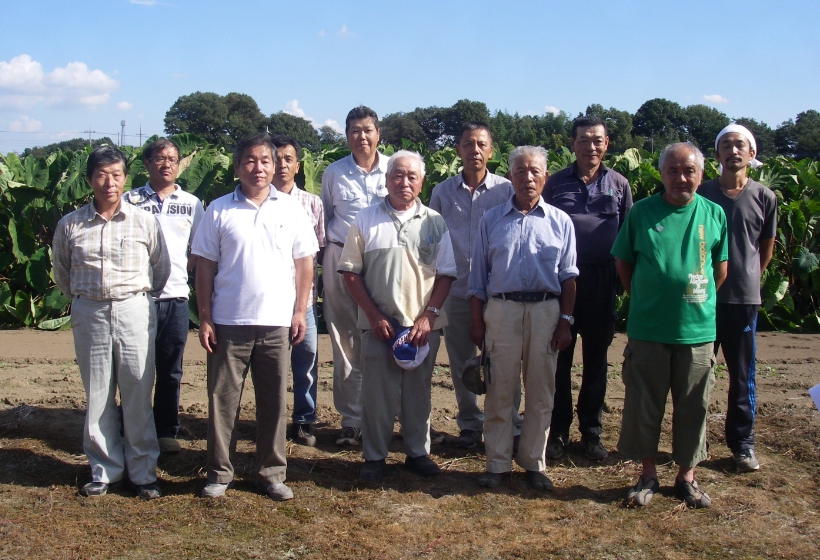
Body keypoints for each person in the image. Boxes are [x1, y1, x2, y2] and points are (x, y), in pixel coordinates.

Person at [192, 133, 317, 501]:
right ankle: (219, 472)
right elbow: (204, 268)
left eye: (265, 160)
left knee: (274, 402)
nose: (259, 167)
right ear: (237, 167)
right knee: (221, 401)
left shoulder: (292, 209)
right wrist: (204, 317)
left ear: (275, 164)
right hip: (229, 321)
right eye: (250, 160)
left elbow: (305, 263)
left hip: (277, 321)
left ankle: (271, 472)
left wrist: (299, 311)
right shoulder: (218, 209)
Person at [612, 142, 727, 509]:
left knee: (694, 406)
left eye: (689, 171)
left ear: (700, 173)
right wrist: (651, 297)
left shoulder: (714, 214)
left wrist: (693, 298)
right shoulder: (643, 212)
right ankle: (647, 475)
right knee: (644, 404)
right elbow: (624, 263)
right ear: (661, 174)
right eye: (673, 171)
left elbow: (719, 270)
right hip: (649, 329)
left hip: (697, 330)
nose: (681, 178)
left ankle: (686, 477)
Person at [52, 145, 171, 499]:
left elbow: (160, 269)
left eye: (116, 175)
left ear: (124, 178)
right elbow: (62, 273)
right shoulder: (70, 224)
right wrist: (88, 300)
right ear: (90, 180)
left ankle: (143, 472)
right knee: (99, 393)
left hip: (133, 309)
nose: (109, 182)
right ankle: (105, 470)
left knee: (137, 389)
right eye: (102, 175)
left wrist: (133, 299)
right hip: (90, 311)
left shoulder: (144, 221)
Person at [337, 150, 457, 481]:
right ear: (387, 179)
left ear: (421, 182)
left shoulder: (435, 222)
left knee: (419, 393)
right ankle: (374, 457)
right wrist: (373, 315)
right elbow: (349, 272)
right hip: (379, 326)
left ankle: (417, 452)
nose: (404, 182)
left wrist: (429, 316)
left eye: (412, 177)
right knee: (377, 395)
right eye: (397, 175)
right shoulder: (365, 219)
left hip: (422, 327)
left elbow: (446, 274)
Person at [468, 145, 578, 491]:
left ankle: (533, 462)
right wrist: (477, 323)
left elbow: (569, 277)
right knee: (500, 389)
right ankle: (497, 464)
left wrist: (565, 321)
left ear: (545, 177)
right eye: (520, 171)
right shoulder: (491, 220)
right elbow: (477, 279)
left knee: (542, 390)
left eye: (534, 171)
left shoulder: (560, 222)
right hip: (502, 310)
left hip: (546, 311)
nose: (527, 178)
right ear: (510, 178)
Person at [544, 116, 633, 460]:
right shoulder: (555, 183)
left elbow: (628, 234)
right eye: (583, 140)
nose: (590, 147)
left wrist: (621, 284)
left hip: (601, 281)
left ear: (607, 144)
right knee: (559, 360)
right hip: (562, 282)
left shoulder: (620, 185)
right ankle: (559, 431)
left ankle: (591, 433)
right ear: (572, 144)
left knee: (596, 360)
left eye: (597, 140)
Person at [429, 122, 517, 449]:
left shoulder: (505, 191)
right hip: (455, 291)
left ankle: (508, 422)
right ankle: (469, 423)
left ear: (491, 151)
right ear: (458, 151)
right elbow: (432, 240)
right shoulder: (442, 193)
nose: (474, 150)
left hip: (495, 293)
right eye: (468, 144)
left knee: (502, 360)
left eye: (481, 144)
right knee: (460, 360)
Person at [697, 124, 776, 472]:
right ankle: (693, 442)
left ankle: (742, 443)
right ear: (716, 156)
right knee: (696, 374)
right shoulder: (700, 193)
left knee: (742, 375)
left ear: (751, 153)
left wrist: (746, 278)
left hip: (742, 300)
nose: (733, 151)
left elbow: (764, 250)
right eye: (726, 145)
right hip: (702, 299)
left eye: (739, 145)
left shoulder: (765, 198)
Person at [124, 138, 204, 454]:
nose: (166, 163)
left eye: (172, 158)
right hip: (136, 297)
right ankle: (131, 428)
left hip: (175, 298)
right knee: (133, 369)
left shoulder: (191, 203)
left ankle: (165, 430)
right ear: (147, 164)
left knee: (170, 370)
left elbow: (199, 248)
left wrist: (184, 272)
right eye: (159, 158)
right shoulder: (130, 200)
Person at [320, 106, 389, 446]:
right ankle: (351, 420)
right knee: (345, 340)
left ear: (378, 134)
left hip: (382, 261)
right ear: (346, 136)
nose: (361, 137)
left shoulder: (394, 168)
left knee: (385, 334)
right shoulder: (334, 173)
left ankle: (385, 416)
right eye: (354, 131)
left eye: (367, 130)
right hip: (340, 258)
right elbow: (328, 216)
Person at [270, 135, 325, 447]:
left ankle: (304, 420)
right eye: (276, 159)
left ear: (297, 165)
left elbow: (319, 252)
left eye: (288, 159)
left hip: (302, 300)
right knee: (271, 364)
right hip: (270, 300)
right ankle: (273, 420)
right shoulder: (259, 201)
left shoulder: (312, 203)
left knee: (306, 361)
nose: (281, 165)